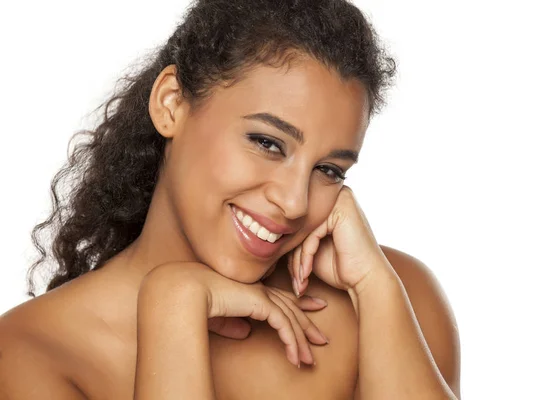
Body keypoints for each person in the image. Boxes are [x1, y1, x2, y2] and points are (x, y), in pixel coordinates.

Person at [0, 0, 461, 398]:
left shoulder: (392, 298)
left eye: (329, 170)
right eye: (267, 142)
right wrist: (173, 307)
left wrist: (377, 289)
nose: (295, 202)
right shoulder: (29, 355)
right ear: (171, 104)